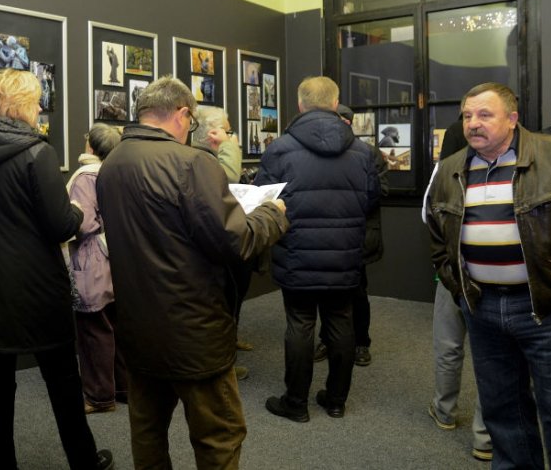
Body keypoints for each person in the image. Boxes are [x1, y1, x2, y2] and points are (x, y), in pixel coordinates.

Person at [97, 76, 289, 469]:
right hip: (194, 331)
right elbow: (235, 241)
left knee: (148, 434)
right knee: (220, 436)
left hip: (137, 328)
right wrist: (273, 214)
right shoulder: (191, 163)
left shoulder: (112, 163)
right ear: (183, 115)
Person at [425, 82, 551, 469]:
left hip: (547, 309)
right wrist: (459, 289)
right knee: (502, 412)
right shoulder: (450, 170)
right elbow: (437, 237)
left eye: (484, 115)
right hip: (483, 311)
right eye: (467, 116)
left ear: (512, 119)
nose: (473, 124)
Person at [0, 68, 113, 470]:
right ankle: (84, 461)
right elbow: (61, 224)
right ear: (22, 105)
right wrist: (75, 210)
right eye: (36, 101)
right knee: (62, 380)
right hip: (35, 288)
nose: (40, 108)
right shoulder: (38, 153)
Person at [255, 76, 379, 422]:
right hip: (344, 253)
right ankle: (336, 400)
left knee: (300, 323)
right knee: (341, 322)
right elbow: (371, 200)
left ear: (300, 104)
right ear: (336, 102)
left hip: (297, 252)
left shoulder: (279, 148)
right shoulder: (363, 151)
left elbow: (261, 199)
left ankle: (295, 402)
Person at [422, 115, 493, 462]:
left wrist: (442, 262)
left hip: (451, 273)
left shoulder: (444, 170)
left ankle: (445, 410)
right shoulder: (511, 169)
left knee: (449, 345)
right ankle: (485, 435)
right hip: (496, 277)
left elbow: (427, 215)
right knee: (492, 354)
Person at [314, 104, 388, 367]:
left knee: (357, 293)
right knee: (326, 291)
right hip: (330, 235)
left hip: (359, 233)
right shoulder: (322, 153)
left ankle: (361, 342)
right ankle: (327, 338)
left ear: (347, 123)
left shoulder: (369, 153)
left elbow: (382, 191)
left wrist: (347, 199)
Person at [65, 123, 127, 415]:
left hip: (91, 259)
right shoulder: (118, 171)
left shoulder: (85, 175)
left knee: (93, 329)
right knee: (116, 326)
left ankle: (99, 396)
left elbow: (84, 222)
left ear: (91, 146)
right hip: (117, 256)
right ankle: (123, 387)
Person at [192, 106, 253, 368]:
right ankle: (224, 359)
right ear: (212, 134)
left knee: (233, 294)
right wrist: (229, 147)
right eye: (228, 131)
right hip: (215, 245)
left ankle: (230, 341)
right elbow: (228, 178)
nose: (232, 137)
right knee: (222, 301)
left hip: (222, 241)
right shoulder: (203, 159)